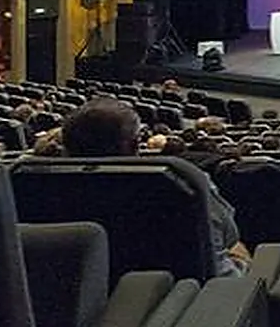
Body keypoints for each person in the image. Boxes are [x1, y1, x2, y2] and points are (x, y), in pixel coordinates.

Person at [62, 97, 249, 276]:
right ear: (135, 145)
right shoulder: (178, 181)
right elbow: (230, 234)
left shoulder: (41, 185)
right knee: (238, 249)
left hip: (76, 289)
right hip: (188, 294)